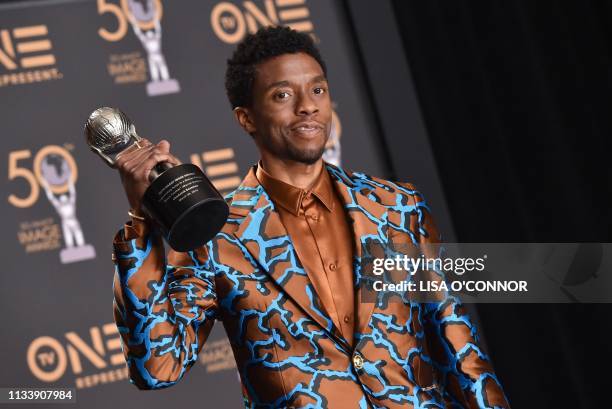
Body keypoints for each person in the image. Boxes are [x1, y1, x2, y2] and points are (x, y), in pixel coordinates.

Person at [111, 26, 510, 408]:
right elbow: (157, 367)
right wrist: (141, 221)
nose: (308, 106)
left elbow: (458, 345)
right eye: (283, 95)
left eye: (317, 89)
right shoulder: (217, 234)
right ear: (246, 118)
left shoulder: (398, 207)